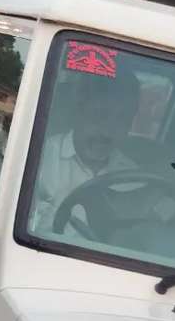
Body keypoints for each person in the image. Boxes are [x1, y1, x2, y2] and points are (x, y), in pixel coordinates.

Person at [31, 71, 140, 235]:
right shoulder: (39, 158)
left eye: (122, 119)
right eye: (100, 115)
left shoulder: (135, 177)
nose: (108, 131)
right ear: (79, 112)